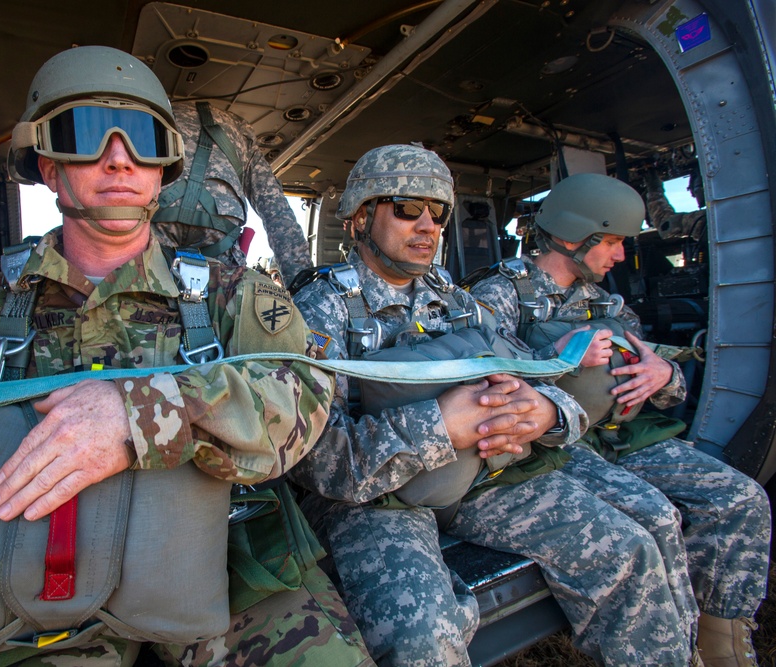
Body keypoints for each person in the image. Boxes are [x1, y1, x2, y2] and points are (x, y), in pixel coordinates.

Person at [0, 46, 372, 667]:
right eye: (86, 134)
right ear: (49, 168)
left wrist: (138, 416)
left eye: (142, 137)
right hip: (23, 585)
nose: (119, 156)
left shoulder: (232, 296)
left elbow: (300, 396)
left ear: (163, 168)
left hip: (228, 561)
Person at [290, 145, 698, 667]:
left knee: (628, 549)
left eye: (438, 211)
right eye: (407, 208)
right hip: (376, 502)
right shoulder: (318, 310)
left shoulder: (454, 299)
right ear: (362, 216)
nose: (427, 225)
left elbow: (537, 371)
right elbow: (311, 461)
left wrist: (547, 414)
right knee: (423, 638)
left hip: (483, 477)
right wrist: (439, 426)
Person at [470, 172, 771, 667]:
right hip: (557, 444)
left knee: (740, 498)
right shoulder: (499, 295)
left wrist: (662, 373)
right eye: (611, 242)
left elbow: (657, 378)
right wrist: (558, 358)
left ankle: (724, 647)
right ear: (574, 235)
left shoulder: (606, 302)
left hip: (621, 435)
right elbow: (484, 384)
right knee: (654, 515)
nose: (618, 256)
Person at [152, 100, 313, 285]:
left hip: (160, 210)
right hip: (221, 225)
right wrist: (302, 283)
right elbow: (276, 210)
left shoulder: (160, 116)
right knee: (225, 302)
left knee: (146, 298)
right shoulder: (240, 132)